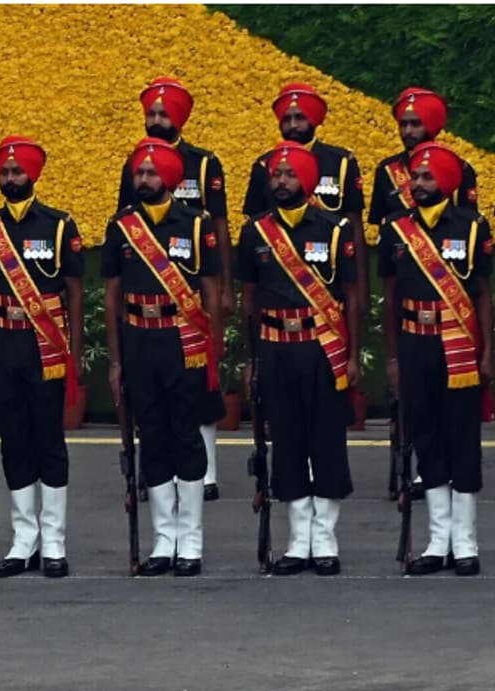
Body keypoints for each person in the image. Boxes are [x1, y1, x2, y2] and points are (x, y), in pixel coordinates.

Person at [238, 141, 360, 576]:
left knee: (326, 440)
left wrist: (353, 355)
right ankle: (297, 542)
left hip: (322, 347)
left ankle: (324, 540)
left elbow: (352, 297)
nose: (281, 181)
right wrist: (252, 359)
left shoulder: (334, 229)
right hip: (275, 347)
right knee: (287, 441)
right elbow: (249, 301)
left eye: (290, 175)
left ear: (307, 181)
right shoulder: (255, 232)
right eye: (277, 174)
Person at [102, 138, 222, 577]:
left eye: (152, 173)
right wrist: (116, 361)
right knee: (151, 436)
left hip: (183, 341)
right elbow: (112, 296)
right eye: (139, 172)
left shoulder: (195, 225)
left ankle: (190, 541)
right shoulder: (122, 226)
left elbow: (211, 290)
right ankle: (163, 539)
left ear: (169, 179)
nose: (144, 179)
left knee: (186, 436)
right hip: (139, 340)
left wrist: (212, 347)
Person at [0, 136, 83, 578]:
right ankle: (23, 541)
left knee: (49, 440)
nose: (11, 178)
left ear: (32, 174)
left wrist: (73, 350)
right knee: (13, 440)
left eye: (17, 171)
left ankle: (53, 541)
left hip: (46, 347)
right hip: (3, 343)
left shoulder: (59, 226)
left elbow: (74, 292)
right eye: (5, 172)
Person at [380, 142, 490, 577]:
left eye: (427, 177)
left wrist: (488, 352)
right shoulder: (396, 229)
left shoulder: (472, 226)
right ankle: (437, 541)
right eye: (415, 177)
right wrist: (393, 357)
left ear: (445, 181)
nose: (418, 184)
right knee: (425, 438)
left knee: (461, 439)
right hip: (415, 342)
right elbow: (389, 299)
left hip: (458, 345)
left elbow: (482, 293)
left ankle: (465, 543)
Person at [116, 77, 229, 501]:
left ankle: (206, 473)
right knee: (152, 394)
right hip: (148, 289)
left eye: (163, 114)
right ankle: (157, 469)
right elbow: (126, 221)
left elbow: (220, 225)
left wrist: (225, 288)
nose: (156, 120)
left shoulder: (204, 164)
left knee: (200, 385)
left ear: (178, 118)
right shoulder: (135, 164)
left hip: (193, 290)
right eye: (151, 113)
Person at [242, 83, 366, 313]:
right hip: (278, 276)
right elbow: (255, 226)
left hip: (328, 276)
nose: (293, 125)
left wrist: (361, 289)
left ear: (314, 120)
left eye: (300, 118)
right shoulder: (264, 165)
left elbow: (355, 225)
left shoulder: (341, 162)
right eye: (286, 119)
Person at [369, 88, 478, 225]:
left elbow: (469, 222)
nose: (408, 131)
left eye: (415, 124)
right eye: (403, 124)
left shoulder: (458, 168)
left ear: (430, 126)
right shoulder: (387, 169)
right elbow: (379, 222)